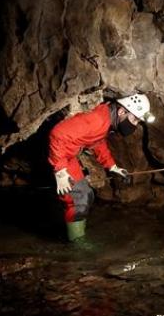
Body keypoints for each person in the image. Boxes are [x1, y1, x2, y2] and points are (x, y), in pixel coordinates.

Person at [49, 93, 156, 242]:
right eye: (135, 119)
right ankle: (77, 246)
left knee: (87, 196)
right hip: (56, 155)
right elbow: (58, 134)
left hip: (67, 156)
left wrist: (111, 166)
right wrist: (60, 171)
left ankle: (76, 235)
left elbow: (96, 141)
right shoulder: (98, 120)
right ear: (121, 112)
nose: (135, 124)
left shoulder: (106, 120)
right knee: (78, 199)